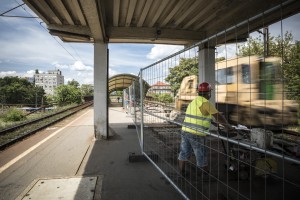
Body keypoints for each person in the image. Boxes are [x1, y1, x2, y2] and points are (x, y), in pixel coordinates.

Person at [178, 82, 233, 176]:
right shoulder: (206, 103)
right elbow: (219, 116)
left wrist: (212, 122)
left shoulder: (194, 102)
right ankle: (206, 175)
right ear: (208, 93)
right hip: (197, 134)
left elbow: (199, 116)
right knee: (201, 154)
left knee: (184, 152)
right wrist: (229, 127)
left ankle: (181, 172)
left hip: (185, 131)